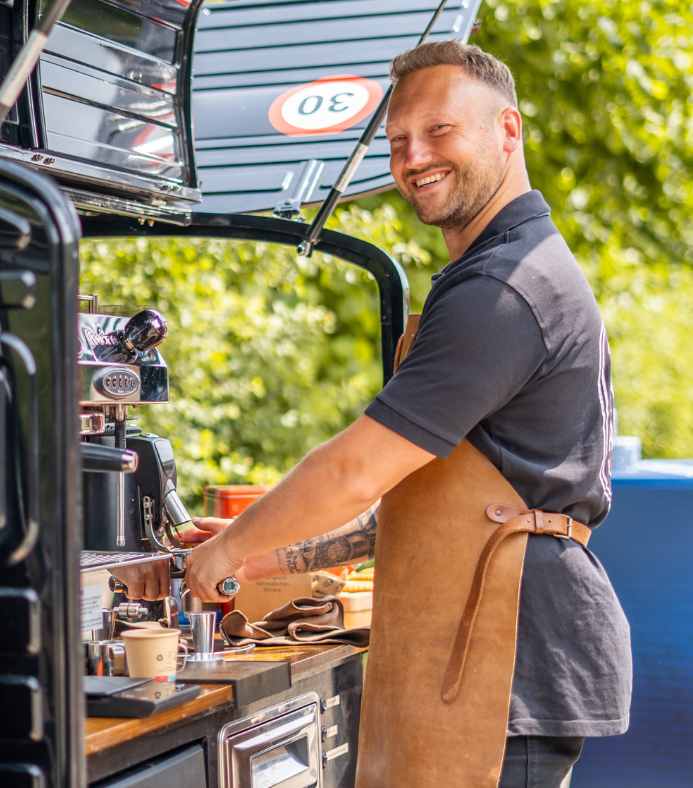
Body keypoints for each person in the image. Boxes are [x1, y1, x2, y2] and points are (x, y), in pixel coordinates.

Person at [122, 41, 632, 788]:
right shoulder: (498, 270)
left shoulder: (507, 288)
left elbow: (360, 468)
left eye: (439, 130)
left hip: (506, 663)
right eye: (397, 142)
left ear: (508, 131)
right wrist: (262, 552)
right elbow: (429, 504)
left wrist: (225, 559)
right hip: (489, 656)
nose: (413, 156)